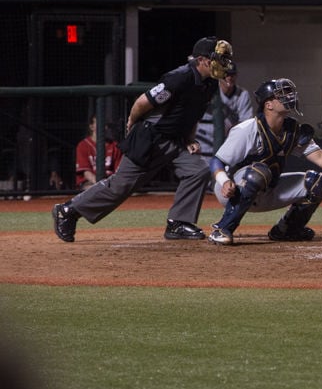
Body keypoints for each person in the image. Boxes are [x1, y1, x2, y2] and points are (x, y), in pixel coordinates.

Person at [52, 36, 235, 242]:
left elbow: (192, 114)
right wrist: (131, 122)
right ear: (202, 60)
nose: (223, 64)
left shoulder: (209, 83)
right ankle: (68, 210)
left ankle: (178, 223)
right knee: (120, 187)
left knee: (198, 171)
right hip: (151, 138)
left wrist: (189, 139)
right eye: (218, 59)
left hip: (174, 140)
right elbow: (142, 102)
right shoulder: (179, 77)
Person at [208, 78, 322, 244]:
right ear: (268, 105)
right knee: (259, 172)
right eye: (281, 95)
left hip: (268, 189)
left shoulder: (292, 129)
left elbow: (319, 156)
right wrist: (224, 181)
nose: (289, 97)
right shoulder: (247, 129)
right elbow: (217, 161)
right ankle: (222, 228)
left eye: (289, 93)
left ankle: (287, 230)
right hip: (234, 191)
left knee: (317, 182)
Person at [195, 64, 254, 158]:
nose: (229, 77)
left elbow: (246, 122)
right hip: (205, 137)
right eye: (225, 74)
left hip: (228, 140)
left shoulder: (242, 94)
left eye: (232, 75)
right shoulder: (210, 90)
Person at [75, 115, 123, 190]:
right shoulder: (83, 145)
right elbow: (86, 173)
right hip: (90, 182)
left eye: (105, 125)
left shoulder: (114, 145)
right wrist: (101, 185)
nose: (105, 127)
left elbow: (118, 171)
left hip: (110, 182)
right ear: (91, 127)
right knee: (91, 189)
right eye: (101, 124)